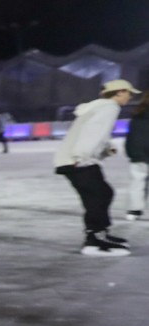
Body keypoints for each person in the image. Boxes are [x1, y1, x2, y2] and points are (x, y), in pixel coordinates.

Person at [54, 79, 138, 256]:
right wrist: (82, 156)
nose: (130, 97)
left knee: (99, 195)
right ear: (120, 92)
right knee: (99, 195)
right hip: (79, 160)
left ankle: (99, 234)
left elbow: (94, 132)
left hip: (72, 159)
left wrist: (106, 148)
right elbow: (92, 132)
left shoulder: (99, 106)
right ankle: (94, 240)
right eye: (129, 93)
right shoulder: (109, 107)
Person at [126, 92, 149, 222]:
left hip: (138, 153)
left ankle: (134, 210)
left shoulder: (136, 116)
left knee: (137, 182)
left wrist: (131, 152)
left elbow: (131, 137)